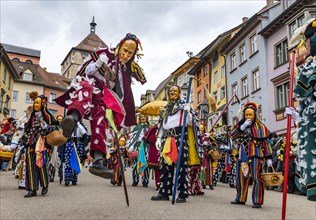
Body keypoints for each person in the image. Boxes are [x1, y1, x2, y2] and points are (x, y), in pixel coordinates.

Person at [55, 33, 146, 179]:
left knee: (100, 120)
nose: (126, 55)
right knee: (86, 91)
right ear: (119, 46)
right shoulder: (105, 54)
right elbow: (86, 71)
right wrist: (97, 65)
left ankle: (98, 161)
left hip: (102, 97)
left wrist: (116, 109)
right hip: (88, 85)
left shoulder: (124, 70)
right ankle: (72, 119)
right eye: (125, 50)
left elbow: (122, 92)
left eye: (130, 53)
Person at [151, 85, 202, 203]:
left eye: (175, 91)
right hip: (166, 138)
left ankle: (182, 193)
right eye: (171, 91)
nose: (173, 92)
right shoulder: (165, 109)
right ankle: (164, 192)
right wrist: (159, 138)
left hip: (180, 138)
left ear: (179, 93)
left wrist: (188, 112)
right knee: (165, 166)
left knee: (181, 167)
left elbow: (190, 123)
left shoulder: (184, 107)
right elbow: (161, 125)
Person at [230, 102, 272, 208]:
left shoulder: (261, 127)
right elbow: (232, 136)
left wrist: (268, 157)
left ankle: (257, 201)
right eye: (246, 114)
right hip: (242, 153)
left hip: (255, 153)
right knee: (240, 177)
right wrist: (242, 127)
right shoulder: (240, 125)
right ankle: (240, 198)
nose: (248, 116)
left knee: (256, 177)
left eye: (250, 114)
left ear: (255, 115)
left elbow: (265, 142)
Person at [23, 91, 58, 198]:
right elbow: (27, 130)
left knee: (41, 165)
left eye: (37, 103)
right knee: (30, 166)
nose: (35, 105)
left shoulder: (48, 116)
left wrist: (45, 125)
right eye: (34, 103)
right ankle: (32, 189)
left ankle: (45, 185)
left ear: (42, 104)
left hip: (42, 145)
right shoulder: (31, 117)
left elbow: (54, 129)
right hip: (30, 144)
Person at [127, 115, 149, 187]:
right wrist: (131, 147)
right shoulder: (136, 128)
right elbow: (133, 138)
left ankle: (145, 181)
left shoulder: (149, 128)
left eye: (144, 117)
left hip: (146, 146)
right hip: (137, 146)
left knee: (145, 164)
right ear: (139, 119)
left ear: (147, 118)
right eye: (142, 117)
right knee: (135, 164)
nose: (143, 118)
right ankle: (135, 180)